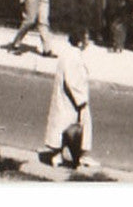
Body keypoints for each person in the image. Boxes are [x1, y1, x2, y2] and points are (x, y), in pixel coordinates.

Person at [39, 29, 94, 169]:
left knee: (61, 126)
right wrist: (81, 101)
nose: (88, 42)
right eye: (87, 39)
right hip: (71, 100)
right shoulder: (73, 57)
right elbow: (72, 82)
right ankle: (76, 156)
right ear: (80, 42)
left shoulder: (69, 54)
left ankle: (58, 155)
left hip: (65, 100)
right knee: (73, 128)